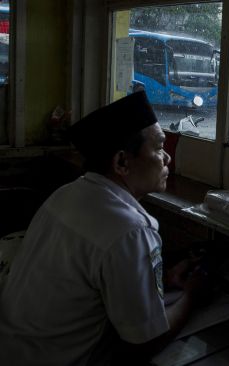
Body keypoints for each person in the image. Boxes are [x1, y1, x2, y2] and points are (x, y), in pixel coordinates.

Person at [0, 91, 211, 365]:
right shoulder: (131, 231)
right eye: (159, 148)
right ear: (122, 162)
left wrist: (162, 278)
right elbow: (145, 341)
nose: (167, 158)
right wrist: (193, 295)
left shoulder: (66, 194)